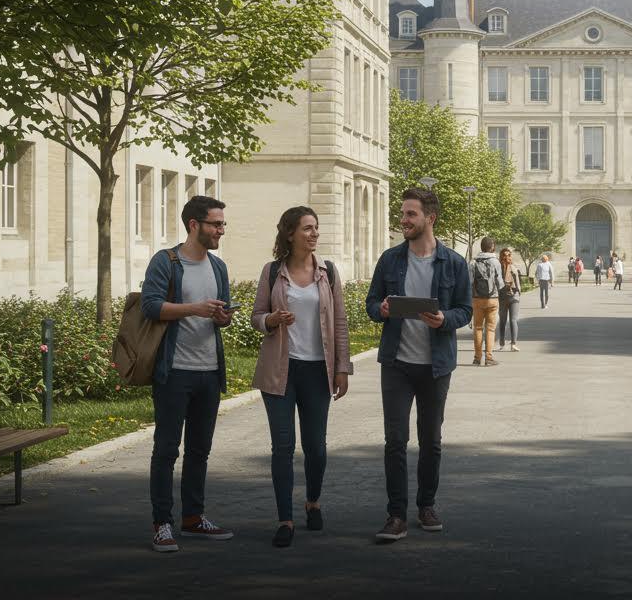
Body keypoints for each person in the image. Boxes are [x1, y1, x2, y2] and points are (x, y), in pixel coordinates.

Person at [365, 187, 472, 541]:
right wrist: (379, 310)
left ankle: (426, 505)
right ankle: (396, 515)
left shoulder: (453, 262)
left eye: (411, 214)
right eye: (403, 213)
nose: (404, 220)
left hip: (436, 365)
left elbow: (465, 310)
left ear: (430, 218)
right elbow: (372, 302)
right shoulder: (391, 259)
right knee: (395, 440)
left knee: (431, 440)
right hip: (397, 363)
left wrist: (445, 319)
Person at [251, 206, 351, 548]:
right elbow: (256, 317)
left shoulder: (329, 273)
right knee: (282, 448)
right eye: (308, 228)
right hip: (281, 369)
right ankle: (285, 520)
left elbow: (339, 323)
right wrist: (272, 320)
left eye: (316, 228)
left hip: (317, 369)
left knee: (316, 449)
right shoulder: (271, 272)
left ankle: (312, 501)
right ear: (290, 233)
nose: (314, 234)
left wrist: (342, 368)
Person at [141, 195, 235, 553]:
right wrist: (194, 308)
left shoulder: (218, 267)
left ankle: (193, 519)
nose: (221, 231)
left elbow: (220, 312)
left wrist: (221, 317)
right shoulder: (167, 262)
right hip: (174, 371)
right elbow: (150, 306)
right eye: (216, 224)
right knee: (166, 449)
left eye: (223, 224)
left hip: (209, 372)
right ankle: (162, 524)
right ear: (194, 225)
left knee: (200, 450)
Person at [470, 236, 504, 367]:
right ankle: (489, 358)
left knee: (478, 328)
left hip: (477, 299)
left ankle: (477, 358)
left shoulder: (473, 262)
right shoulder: (495, 262)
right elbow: (499, 283)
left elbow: (469, 282)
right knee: (490, 329)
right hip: (492, 299)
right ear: (492, 247)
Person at [497, 247, 524, 352]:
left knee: (506, 320)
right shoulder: (512, 267)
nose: (508, 257)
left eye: (508, 255)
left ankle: (504, 344)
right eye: (507, 255)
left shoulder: (500, 268)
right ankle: (510, 344)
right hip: (511, 296)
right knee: (511, 320)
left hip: (505, 297)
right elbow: (518, 283)